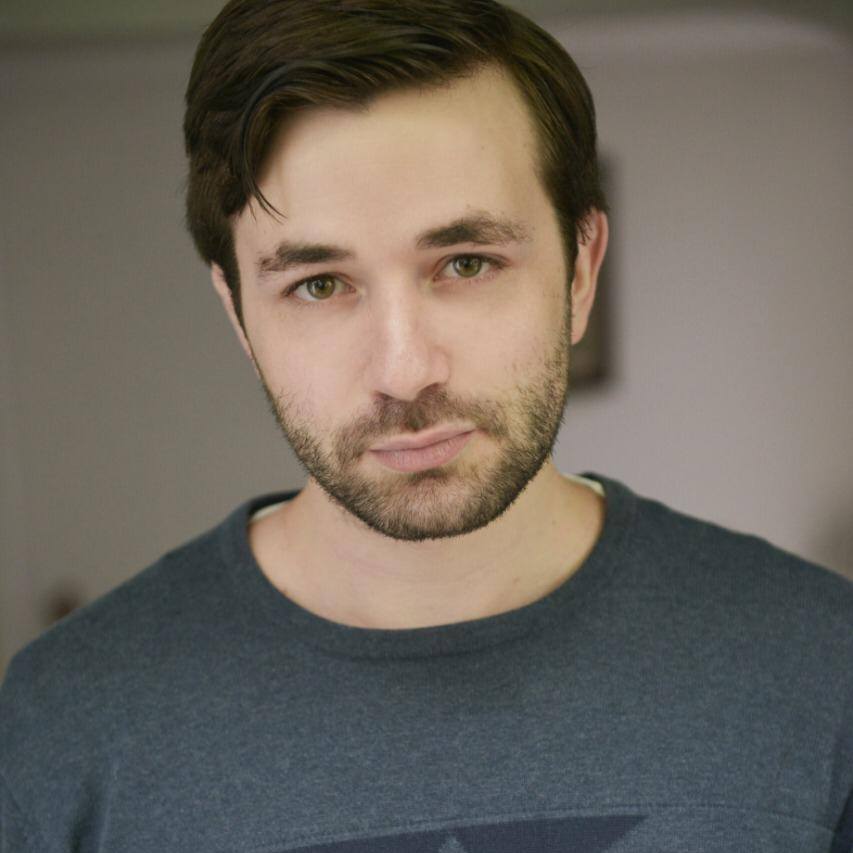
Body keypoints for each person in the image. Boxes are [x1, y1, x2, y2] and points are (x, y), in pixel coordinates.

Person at [1, 0, 851, 849]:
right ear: (238, 315)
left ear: (580, 270)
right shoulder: (59, 725)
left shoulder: (822, 666)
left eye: (466, 263)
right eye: (319, 285)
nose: (404, 370)